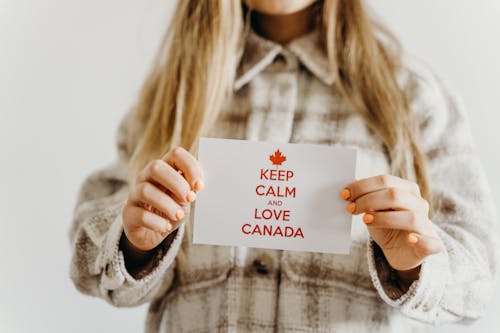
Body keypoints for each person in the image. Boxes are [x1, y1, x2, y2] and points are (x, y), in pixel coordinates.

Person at [69, 0, 499, 332]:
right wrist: (135, 243)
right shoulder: (173, 98)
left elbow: (482, 282)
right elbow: (88, 261)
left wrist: (415, 263)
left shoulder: (413, 98)